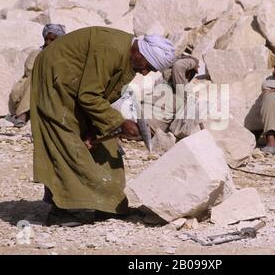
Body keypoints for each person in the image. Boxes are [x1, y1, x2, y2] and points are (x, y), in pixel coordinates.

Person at [30, 27, 175, 225]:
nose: (144, 72)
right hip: (55, 75)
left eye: (149, 70)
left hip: (80, 87)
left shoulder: (130, 60)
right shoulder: (111, 50)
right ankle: (63, 210)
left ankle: (108, 205)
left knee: (106, 148)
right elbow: (89, 95)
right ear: (139, 52)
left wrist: (96, 129)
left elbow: (101, 94)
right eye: (147, 66)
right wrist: (119, 122)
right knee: (66, 141)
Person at [8, 24, 66, 127]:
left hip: (49, 90)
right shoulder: (37, 53)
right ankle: (22, 115)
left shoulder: (63, 56)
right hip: (26, 92)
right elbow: (30, 71)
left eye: (52, 40)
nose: (48, 42)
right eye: (46, 39)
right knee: (36, 79)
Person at [145, 54, 201, 140]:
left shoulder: (183, 91)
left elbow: (179, 65)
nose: (170, 71)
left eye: (172, 70)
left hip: (148, 124)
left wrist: (193, 62)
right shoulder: (164, 82)